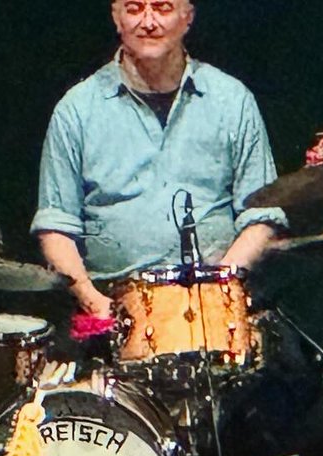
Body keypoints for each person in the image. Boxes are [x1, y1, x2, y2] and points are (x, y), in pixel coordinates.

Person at [31, 0, 287, 322]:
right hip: (113, 310)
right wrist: (95, 302)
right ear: (116, 17)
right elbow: (56, 227)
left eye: (163, 8)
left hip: (219, 307)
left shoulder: (232, 101)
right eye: (135, 8)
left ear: (187, 18)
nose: (148, 22)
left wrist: (218, 288)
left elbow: (261, 216)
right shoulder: (76, 110)